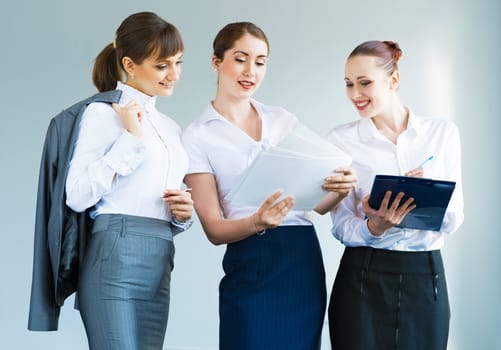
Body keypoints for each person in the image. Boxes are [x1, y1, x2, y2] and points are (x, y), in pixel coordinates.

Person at [182, 22, 356, 350]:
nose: (251, 70)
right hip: (251, 258)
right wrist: (257, 221)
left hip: (301, 259)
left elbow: (318, 205)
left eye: (260, 61)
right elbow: (214, 230)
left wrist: (340, 188)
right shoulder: (197, 135)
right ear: (216, 62)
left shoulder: (282, 120)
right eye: (240, 58)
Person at [64, 12, 193, 349]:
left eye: (178, 63)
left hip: (161, 257)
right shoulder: (103, 114)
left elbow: (157, 199)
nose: (174, 75)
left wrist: (182, 212)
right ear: (130, 65)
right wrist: (131, 139)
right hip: (116, 256)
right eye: (162, 65)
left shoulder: (171, 129)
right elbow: (77, 195)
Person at [326, 40, 464, 350]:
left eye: (365, 83)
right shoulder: (341, 140)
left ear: (394, 80)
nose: (354, 94)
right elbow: (340, 225)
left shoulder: (442, 134)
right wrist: (374, 227)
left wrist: (426, 192)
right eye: (348, 84)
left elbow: (455, 218)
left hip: (425, 275)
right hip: (362, 275)